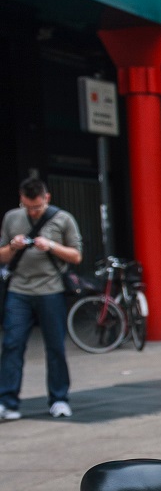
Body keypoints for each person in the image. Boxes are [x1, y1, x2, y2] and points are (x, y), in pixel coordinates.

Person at [0, 177, 83, 420]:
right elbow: (2, 256)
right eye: (28, 206)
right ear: (21, 199)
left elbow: (76, 256)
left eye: (37, 207)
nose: (33, 211)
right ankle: (7, 402)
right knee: (12, 345)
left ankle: (59, 399)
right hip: (19, 290)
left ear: (47, 198)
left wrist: (51, 246)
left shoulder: (63, 219)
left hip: (51, 290)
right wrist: (14, 247)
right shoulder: (12, 218)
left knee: (55, 346)